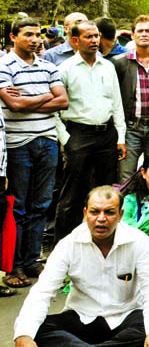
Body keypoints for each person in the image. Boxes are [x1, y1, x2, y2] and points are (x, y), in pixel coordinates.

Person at [13, 186, 149, 347]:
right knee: (35, 331)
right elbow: (42, 291)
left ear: (120, 215)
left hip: (125, 317)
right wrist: (24, 335)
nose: (101, 218)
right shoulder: (68, 245)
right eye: (95, 212)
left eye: (109, 212)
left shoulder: (139, 241)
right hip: (82, 318)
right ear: (85, 213)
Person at [0, 17, 69, 290]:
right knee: (17, 206)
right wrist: (44, 97)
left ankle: (31, 260)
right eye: (28, 34)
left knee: (40, 205)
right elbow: (12, 105)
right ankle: (13, 264)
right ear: (12, 36)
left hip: (47, 140)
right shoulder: (4, 66)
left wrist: (28, 99)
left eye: (37, 34)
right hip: (18, 144)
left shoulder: (48, 66)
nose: (35, 39)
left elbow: (62, 100)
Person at [55, 21, 127, 243]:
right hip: (77, 134)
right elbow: (55, 111)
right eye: (89, 37)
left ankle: (101, 242)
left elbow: (116, 104)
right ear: (75, 41)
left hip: (106, 135)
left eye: (96, 36)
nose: (95, 40)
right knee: (73, 193)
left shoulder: (107, 67)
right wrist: (65, 139)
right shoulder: (65, 69)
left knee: (105, 192)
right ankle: (64, 246)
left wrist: (120, 137)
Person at [111, 15, 149, 183]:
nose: (144, 34)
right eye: (140, 31)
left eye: (148, 31)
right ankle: (126, 208)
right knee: (126, 175)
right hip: (131, 128)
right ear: (132, 35)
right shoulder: (120, 63)